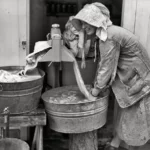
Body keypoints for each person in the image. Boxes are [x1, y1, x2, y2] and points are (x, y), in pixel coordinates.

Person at [71, 2, 150, 150]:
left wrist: (94, 91)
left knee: (134, 114)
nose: (84, 26)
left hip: (139, 76)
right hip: (134, 73)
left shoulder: (109, 36)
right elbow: (105, 63)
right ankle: (117, 142)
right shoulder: (107, 33)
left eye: (88, 23)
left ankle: (132, 145)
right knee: (127, 110)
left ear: (97, 22)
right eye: (83, 23)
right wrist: (98, 85)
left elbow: (106, 67)